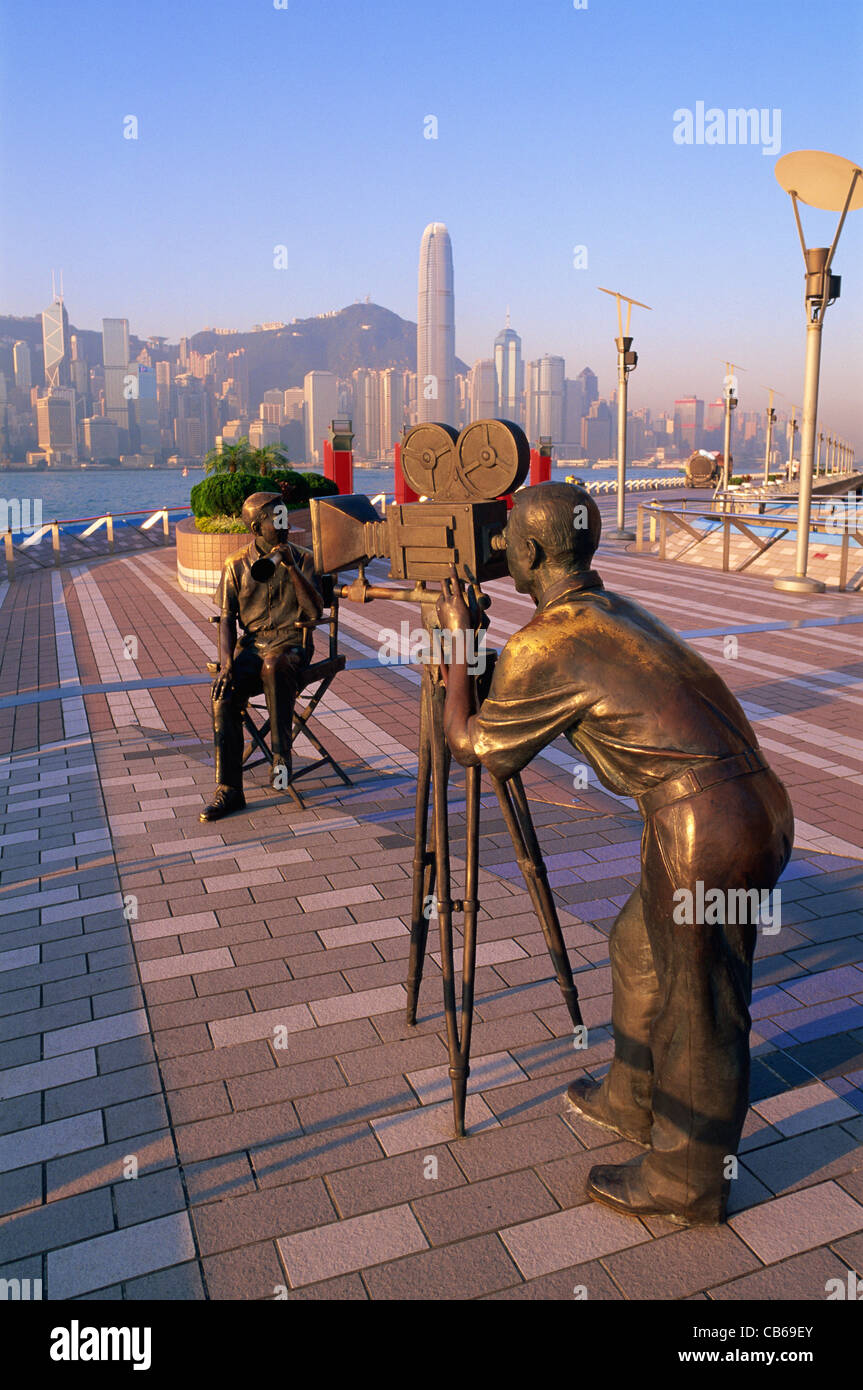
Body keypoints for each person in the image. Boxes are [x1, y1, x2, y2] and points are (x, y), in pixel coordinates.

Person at [435, 482, 793, 1226]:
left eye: (505, 541)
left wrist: (450, 650)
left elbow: (478, 748)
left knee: (702, 1008)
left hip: (705, 824)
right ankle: (632, 1092)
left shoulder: (550, 639)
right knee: (636, 944)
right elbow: (529, 693)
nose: (499, 550)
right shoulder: (609, 612)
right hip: (739, 804)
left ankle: (686, 1178)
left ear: (530, 553)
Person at [201, 491, 323, 821]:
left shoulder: (304, 558)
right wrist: (226, 665)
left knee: (274, 665)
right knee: (223, 695)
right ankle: (229, 789)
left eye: (285, 516)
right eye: (277, 519)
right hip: (252, 648)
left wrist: (290, 566)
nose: (284, 524)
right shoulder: (235, 564)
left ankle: (281, 757)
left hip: (292, 646)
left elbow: (314, 611)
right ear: (257, 526)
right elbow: (226, 618)